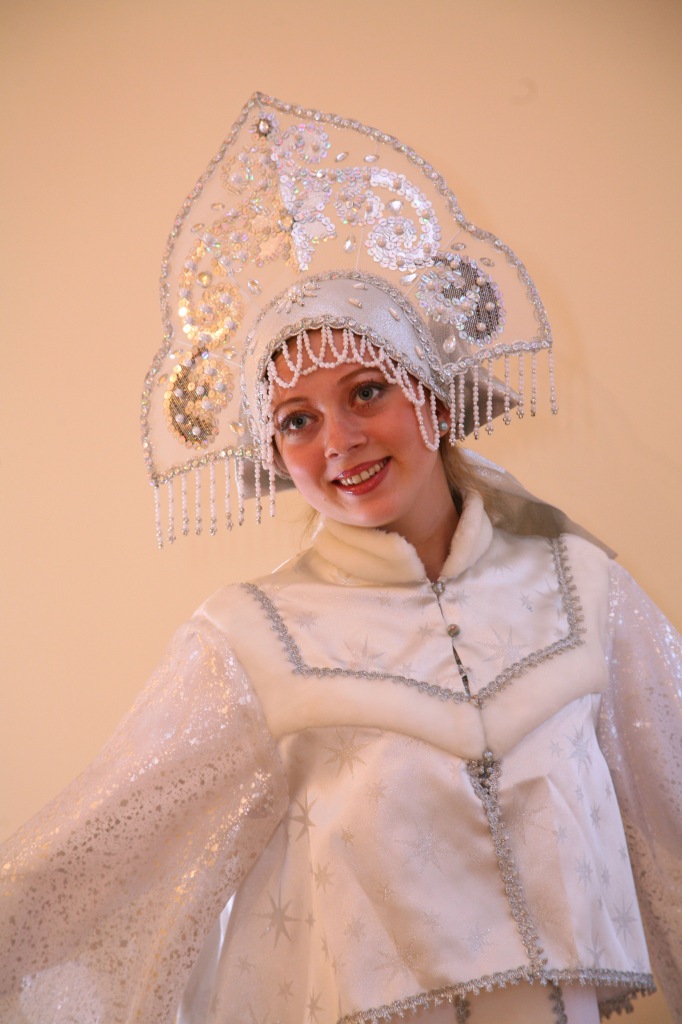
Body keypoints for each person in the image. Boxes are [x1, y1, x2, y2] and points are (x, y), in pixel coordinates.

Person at [1, 93, 680, 1024]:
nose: (340, 442)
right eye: (297, 420)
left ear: (431, 397)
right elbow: (98, 859)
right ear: (272, 454)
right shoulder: (248, 640)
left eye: (367, 392)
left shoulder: (580, 587)